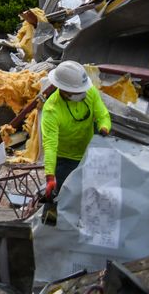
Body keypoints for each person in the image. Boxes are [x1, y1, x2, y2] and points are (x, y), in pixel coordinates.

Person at [41, 60, 111, 200]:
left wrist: (104, 128)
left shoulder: (90, 92)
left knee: (93, 196)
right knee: (66, 198)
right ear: (64, 90)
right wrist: (50, 176)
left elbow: (103, 115)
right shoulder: (51, 110)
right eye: (78, 91)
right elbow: (50, 146)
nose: (83, 93)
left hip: (90, 153)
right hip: (65, 159)